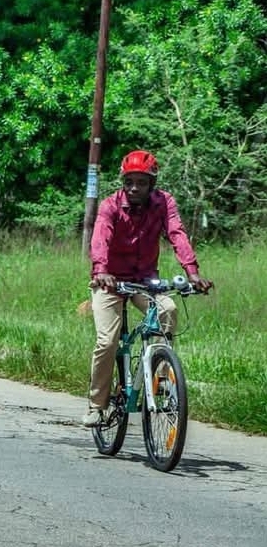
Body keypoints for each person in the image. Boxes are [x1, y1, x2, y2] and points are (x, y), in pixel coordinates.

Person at [81, 149, 214, 426]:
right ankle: (97, 405)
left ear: (152, 183)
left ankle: (161, 377)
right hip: (111, 282)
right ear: (123, 182)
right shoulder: (110, 205)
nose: (134, 188)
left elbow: (177, 234)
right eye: (129, 181)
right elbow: (100, 238)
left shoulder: (164, 203)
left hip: (144, 281)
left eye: (141, 182)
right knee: (107, 341)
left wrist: (192, 273)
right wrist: (101, 271)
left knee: (168, 309)